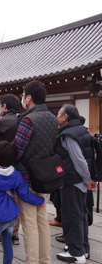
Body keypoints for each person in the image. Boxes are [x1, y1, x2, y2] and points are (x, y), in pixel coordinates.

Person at [0, 141, 45, 264]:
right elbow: (24, 194)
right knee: (7, 244)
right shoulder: (15, 174)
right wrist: (40, 200)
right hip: (12, 215)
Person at [14, 80, 58, 264]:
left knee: (29, 223)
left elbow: (17, 150)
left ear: (29, 97)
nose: (22, 97)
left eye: (23, 94)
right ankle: (44, 260)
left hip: (26, 178)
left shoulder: (28, 120)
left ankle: (32, 261)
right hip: (44, 176)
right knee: (42, 221)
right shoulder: (52, 118)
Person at [54, 104, 96, 263]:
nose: (57, 117)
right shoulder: (82, 130)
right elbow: (87, 157)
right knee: (81, 215)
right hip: (81, 181)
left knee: (72, 215)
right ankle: (82, 247)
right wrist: (89, 179)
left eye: (58, 114)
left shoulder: (68, 134)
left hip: (72, 180)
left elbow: (78, 160)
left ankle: (76, 252)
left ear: (65, 117)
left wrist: (87, 179)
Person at [0, 94, 21, 244]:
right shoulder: (23, 120)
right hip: (18, 165)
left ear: (4, 106)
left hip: (2, 164)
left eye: (0, 105)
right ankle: (14, 233)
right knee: (15, 200)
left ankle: (1, 233)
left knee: (2, 200)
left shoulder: (2, 121)